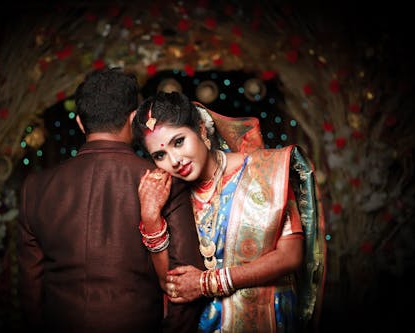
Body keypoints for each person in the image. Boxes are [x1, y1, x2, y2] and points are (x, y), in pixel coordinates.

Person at [17, 68, 204, 333]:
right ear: (132, 119)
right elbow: (185, 284)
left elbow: (30, 290)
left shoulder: (34, 189)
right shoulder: (163, 180)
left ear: (81, 123)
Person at [133, 91, 326, 332]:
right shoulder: (172, 195)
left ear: (202, 130)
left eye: (179, 141)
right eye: (160, 155)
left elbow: (290, 256)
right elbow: (171, 285)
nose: (175, 160)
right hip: (206, 324)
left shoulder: (264, 170)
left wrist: (208, 283)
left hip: (268, 318)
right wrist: (150, 219)